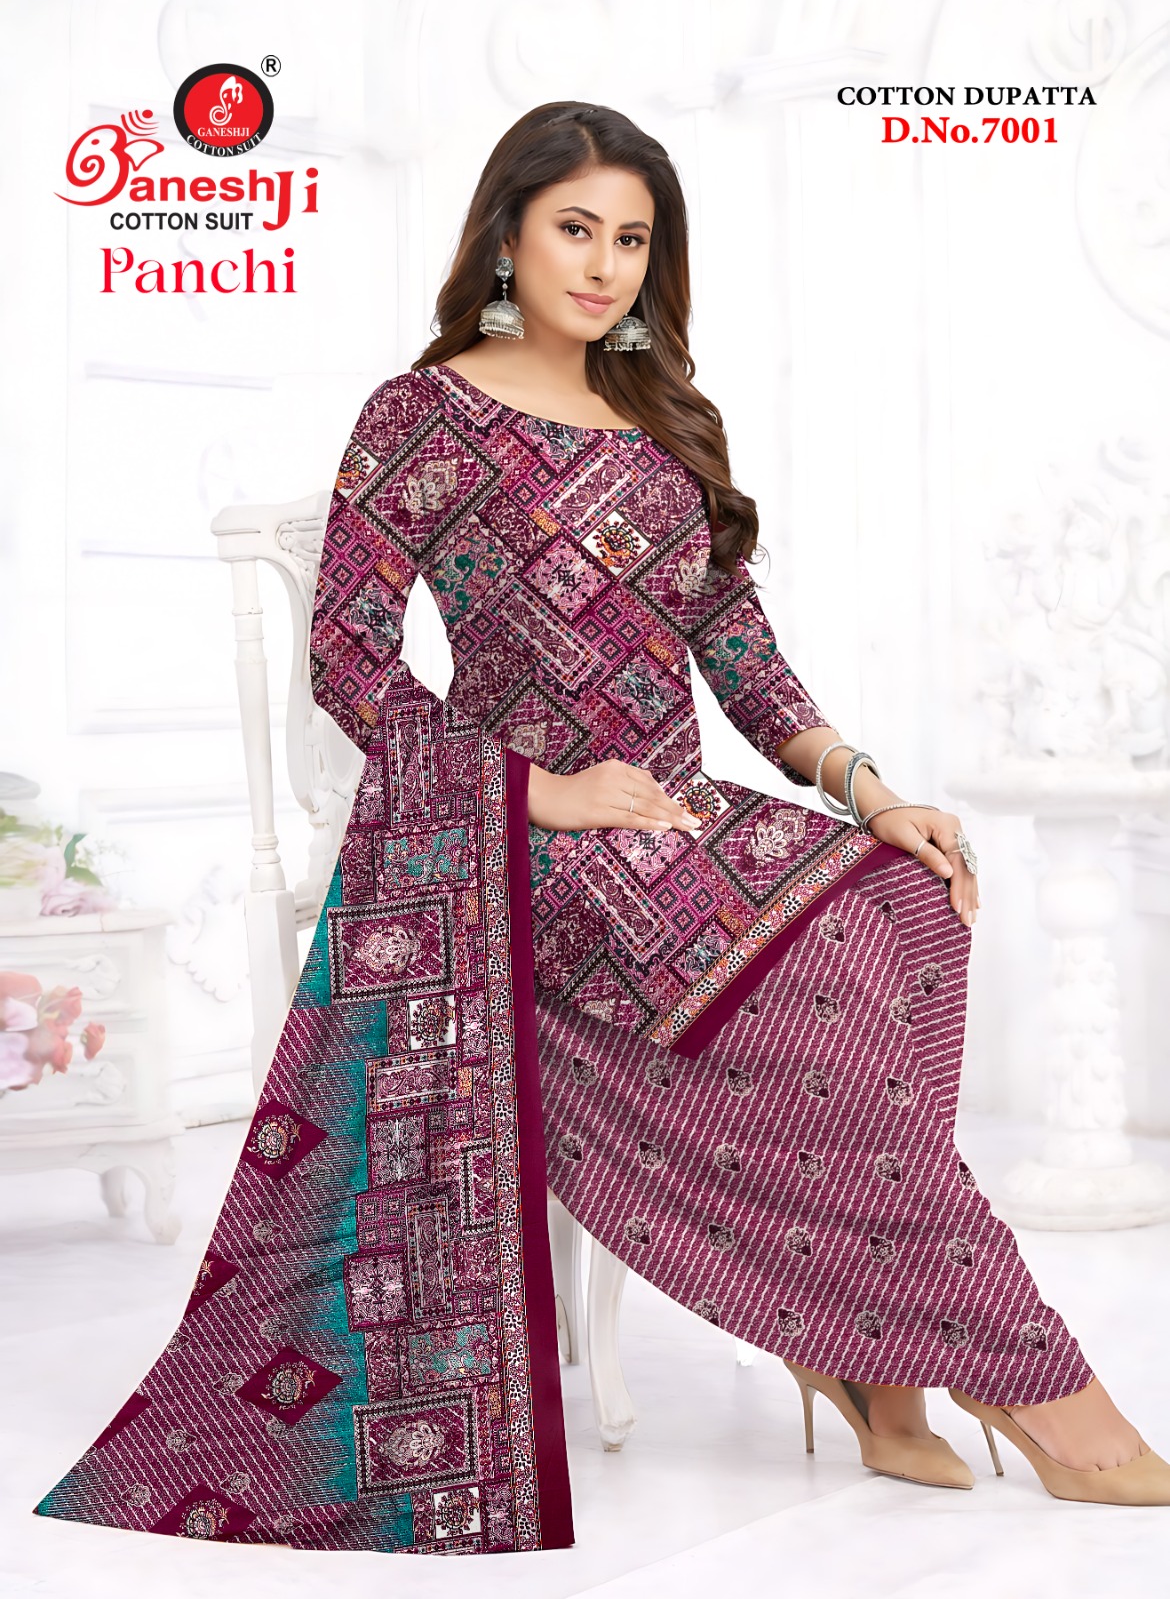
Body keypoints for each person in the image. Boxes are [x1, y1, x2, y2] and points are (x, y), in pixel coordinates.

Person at [34, 101, 1170, 1559]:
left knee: (901, 897)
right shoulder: (424, 413)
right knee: (816, 971)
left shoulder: (662, 416)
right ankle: (1026, 1376)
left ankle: (864, 1347)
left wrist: (870, 788)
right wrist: (536, 790)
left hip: (673, 814)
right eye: (576, 228)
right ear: (506, 234)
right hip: (516, 836)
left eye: (632, 239)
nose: (604, 264)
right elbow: (350, 657)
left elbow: (740, 654)